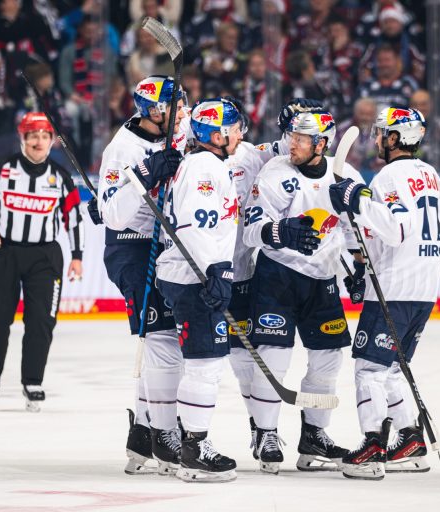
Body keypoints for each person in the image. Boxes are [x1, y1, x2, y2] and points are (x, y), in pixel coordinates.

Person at [329, 107, 440, 480]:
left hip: (395, 287)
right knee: (392, 368)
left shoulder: (389, 175)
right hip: (425, 286)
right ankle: (411, 440)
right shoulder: (429, 174)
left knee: (369, 369)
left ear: (397, 138)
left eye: (383, 132)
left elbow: (397, 229)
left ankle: (372, 447)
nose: (377, 137)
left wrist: (357, 200)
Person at [241, 108, 364, 474]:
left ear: (321, 144)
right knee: (274, 356)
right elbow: (251, 228)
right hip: (278, 276)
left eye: (300, 139)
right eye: (291, 136)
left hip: (322, 281)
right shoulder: (276, 171)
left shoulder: (346, 176)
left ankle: (315, 435)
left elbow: (353, 227)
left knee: (328, 359)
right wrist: (280, 231)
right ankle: (265, 433)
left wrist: (358, 267)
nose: (291, 144)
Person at [91, 75, 186, 475]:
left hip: (167, 246)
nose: (184, 113)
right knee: (163, 339)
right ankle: (164, 434)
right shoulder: (123, 149)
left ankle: (144, 433)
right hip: (132, 249)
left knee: (166, 343)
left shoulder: (178, 132)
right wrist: (144, 174)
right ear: (155, 111)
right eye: (176, 107)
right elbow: (112, 214)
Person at [0, 112, 84, 412]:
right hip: (3, 253)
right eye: (33, 136)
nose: (39, 142)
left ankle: (33, 381)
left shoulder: (61, 177)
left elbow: (73, 217)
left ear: (52, 141)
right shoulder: (2, 169)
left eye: (44, 136)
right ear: (23, 139)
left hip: (44, 257)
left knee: (41, 322)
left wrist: (77, 256)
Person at [155, 98, 244, 483]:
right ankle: (194, 448)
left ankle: (188, 440)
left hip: (187, 273)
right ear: (218, 133)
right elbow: (196, 226)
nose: (241, 133)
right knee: (205, 364)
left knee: (201, 362)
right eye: (236, 127)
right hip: (194, 277)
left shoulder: (200, 163)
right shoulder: (206, 168)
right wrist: (218, 273)